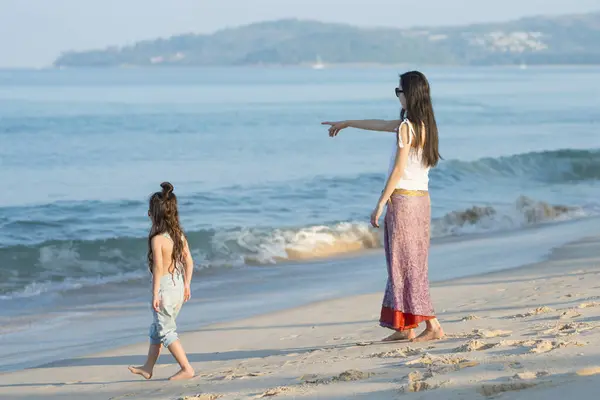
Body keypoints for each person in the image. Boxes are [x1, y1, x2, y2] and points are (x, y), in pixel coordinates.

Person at [322, 71, 444, 342]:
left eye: (398, 91)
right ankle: (406, 327)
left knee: (405, 264)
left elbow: (399, 169)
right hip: (421, 201)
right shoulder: (423, 125)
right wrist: (348, 123)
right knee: (409, 263)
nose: (397, 95)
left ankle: (433, 326)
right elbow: (379, 124)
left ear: (409, 94)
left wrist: (380, 203)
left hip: (404, 201)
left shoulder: (407, 127)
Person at [129, 182, 195, 380]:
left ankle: (186, 368)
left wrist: (155, 293)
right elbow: (190, 262)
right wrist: (186, 284)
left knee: (166, 330)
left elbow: (158, 267)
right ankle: (148, 367)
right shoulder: (179, 236)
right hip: (178, 286)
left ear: (153, 215)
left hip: (165, 289)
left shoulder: (157, 239)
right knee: (158, 327)